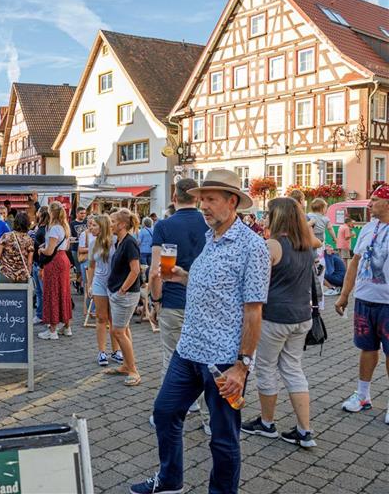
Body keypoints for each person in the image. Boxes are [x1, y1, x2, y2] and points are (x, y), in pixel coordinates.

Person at [130, 169, 270, 494]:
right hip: (188, 349)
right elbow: (218, 288)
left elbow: (254, 311)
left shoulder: (252, 247)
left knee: (223, 439)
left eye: (210, 199)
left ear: (232, 201)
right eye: (201, 199)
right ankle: (169, 481)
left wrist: (241, 366)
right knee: (165, 412)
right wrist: (183, 276)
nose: (203, 205)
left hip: (222, 362)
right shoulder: (211, 238)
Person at [241, 197, 318, 448]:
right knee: (293, 369)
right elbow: (314, 235)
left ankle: (266, 423)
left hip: (275, 317)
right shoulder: (307, 244)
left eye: (268, 214)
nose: (264, 218)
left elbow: (256, 282)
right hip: (301, 317)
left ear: (277, 217)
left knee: (266, 368)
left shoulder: (272, 245)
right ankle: (304, 430)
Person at [148, 178, 210, 433]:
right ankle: (210, 419)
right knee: (207, 359)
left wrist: (155, 300)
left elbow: (155, 272)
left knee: (172, 358)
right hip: (204, 303)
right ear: (196, 197)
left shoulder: (164, 226)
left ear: (174, 196)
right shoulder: (210, 223)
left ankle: (167, 414)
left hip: (173, 300)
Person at [335, 184, 389, 425]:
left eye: (375, 200)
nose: (370, 204)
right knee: (367, 348)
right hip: (365, 300)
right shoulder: (368, 228)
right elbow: (355, 263)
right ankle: (363, 395)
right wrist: (344, 294)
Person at [103, 208, 142, 386]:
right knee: (123, 330)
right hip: (118, 292)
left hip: (125, 295)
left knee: (118, 331)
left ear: (122, 224)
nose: (109, 224)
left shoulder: (129, 243)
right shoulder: (120, 242)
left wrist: (122, 290)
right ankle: (127, 365)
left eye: (112, 222)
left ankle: (133, 370)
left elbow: (135, 270)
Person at [86, 215, 122, 366]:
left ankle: (116, 350)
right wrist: (89, 284)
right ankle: (101, 351)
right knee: (101, 317)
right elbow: (91, 265)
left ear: (102, 226)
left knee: (115, 319)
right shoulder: (93, 242)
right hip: (99, 282)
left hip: (114, 283)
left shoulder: (116, 241)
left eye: (94, 225)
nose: (91, 228)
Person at [38, 202, 73, 340]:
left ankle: (52, 330)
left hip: (54, 262)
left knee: (52, 292)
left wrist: (41, 249)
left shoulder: (53, 229)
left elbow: (49, 251)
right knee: (63, 292)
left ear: (51, 213)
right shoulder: (65, 227)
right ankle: (66, 326)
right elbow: (67, 246)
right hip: (64, 259)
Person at [0, 213, 34, 283]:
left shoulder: (6, 236)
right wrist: (28, 274)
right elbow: (29, 262)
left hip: (5, 274)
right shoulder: (29, 240)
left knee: (5, 294)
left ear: (15, 223)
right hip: (22, 275)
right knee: (21, 294)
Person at [31, 206, 50, 324]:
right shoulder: (39, 228)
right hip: (36, 262)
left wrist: (42, 267)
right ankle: (40, 314)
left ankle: (46, 316)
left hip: (40, 264)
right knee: (38, 291)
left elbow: (43, 247)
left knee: (43, 292)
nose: (36, 214)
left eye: (38, 212)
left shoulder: (45, 230)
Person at [69, 206, 88, 281]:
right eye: (81, 213)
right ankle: (79, 284)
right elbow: (70, 235)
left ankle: (84, 284)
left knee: (86, 267)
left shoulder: (87, 222)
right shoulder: (72, 223)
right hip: (75, 248)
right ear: (77, 214)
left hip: (85, 248)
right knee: (78, 268)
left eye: (84, 213)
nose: (83, 215)